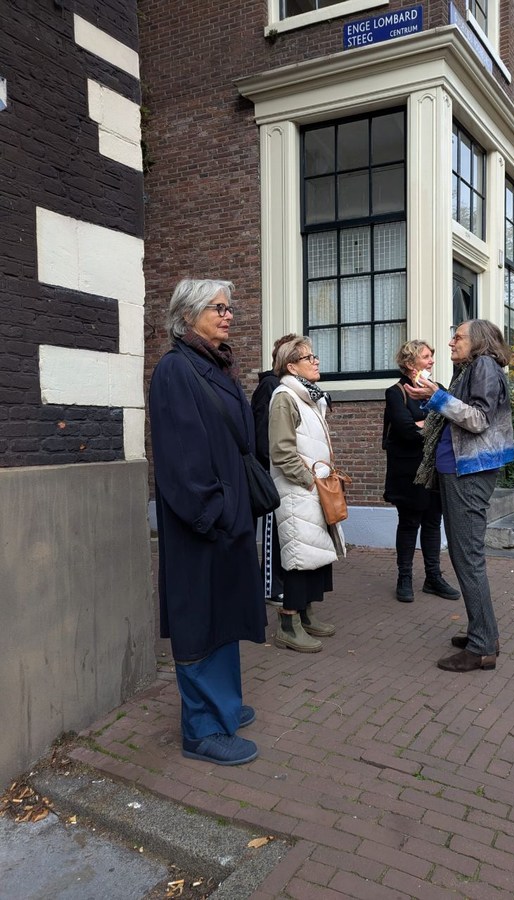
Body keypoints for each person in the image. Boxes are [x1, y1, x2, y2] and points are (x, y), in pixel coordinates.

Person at [149, 278, 267, 765]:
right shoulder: (176, 370)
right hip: (204, 522)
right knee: (199, 617)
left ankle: (224, 705)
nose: (228, 315)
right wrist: (214, 512)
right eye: (217, 308)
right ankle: (201, 730)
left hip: (228, 516)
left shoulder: (215, 364)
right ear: (187, 315)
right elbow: (181, 458)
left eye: (228, 307)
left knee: (225, 613)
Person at [405, 319, 514, 673]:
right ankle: (484, 633)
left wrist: (436, 397)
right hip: (460, 470)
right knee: (465, 554)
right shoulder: (471, 368)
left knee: (467, 557)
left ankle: (482, 647)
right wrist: (433, 396)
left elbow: (478, 419)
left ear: (478, 341)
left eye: (458, 337)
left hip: (469, 471)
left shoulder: (483, 366)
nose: (451, 342)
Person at [268, 335, 346, 653]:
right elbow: (281, 450)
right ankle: (288, 624)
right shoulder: (284, 397)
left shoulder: (307, 396)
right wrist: (309, 481)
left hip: (313, 489)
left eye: (314, 356)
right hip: (299, 490)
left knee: (316, 553)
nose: (316, 361)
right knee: (299, 557)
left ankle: (305, 613)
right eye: (308, 358)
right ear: (291, 366)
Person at [382, 340, 461, 604]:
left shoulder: (438, 390)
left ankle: (433, 577)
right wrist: (431, 423)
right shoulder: (396, 392)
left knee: (432, 523)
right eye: (426, 356)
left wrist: (422, 422)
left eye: (431, 356)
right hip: (409, 472)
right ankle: (404, 577)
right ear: (410, 362)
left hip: (436, 469)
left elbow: (450, 422)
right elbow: (406, 430)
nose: (432, 361)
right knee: (408, 523)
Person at [251, 334, 295, 608]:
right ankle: (270, 586)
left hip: (283, 470)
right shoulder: (270, 386)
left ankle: (281, 582)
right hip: (271, 473)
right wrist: (272, 467)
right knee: (273, 530)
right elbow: (263, 433)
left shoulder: (287, 387)